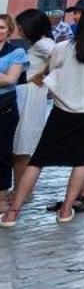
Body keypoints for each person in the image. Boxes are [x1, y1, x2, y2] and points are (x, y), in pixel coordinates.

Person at [5, 0, 84, 225]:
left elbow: (50, 69)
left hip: (64, 109)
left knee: (38, 160)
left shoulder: (64, 47)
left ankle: (13, 213)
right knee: (81, 159)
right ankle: (66, 210)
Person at [7, 10, 55, 202]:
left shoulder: (44, 43)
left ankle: (22, 191)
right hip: (26, 93)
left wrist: (44, 75)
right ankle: (20, 189)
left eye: (21, 26)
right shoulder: (39, 44)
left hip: (30, 95)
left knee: (22, 145)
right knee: (19, 143)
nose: (19, 30)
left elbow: (60, 58)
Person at [0, 14, 24, 195]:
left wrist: (5, 77)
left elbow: (11, 79)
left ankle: (1, 196)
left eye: (1, 28)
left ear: (9, 30)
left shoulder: (16, 52)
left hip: (4, 109)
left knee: (2, 153)